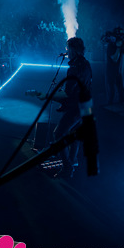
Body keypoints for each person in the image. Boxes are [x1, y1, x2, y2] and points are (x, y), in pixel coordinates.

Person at [52, 36, 93, 178]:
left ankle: (67, 167)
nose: (66, 51)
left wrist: (52, 96)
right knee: (75, 133)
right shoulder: (86, 63)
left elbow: (69, 91)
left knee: (58, 134)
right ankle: (73, 160)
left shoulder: (74, 67)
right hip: (86, 104)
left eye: (68, 48)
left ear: (74, 50)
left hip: (77, 106)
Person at [103, 27, 124, 105]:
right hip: (110, 73)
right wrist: (118, 47)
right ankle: (109, 109)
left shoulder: (121, 45)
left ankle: (121, 107)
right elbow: (115, 59)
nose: (121, 38)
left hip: (119, 73)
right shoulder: (110, 46)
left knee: (121, 91)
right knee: (111, 93)